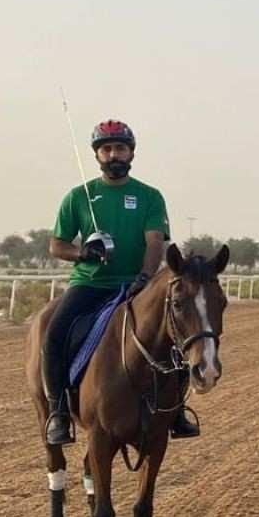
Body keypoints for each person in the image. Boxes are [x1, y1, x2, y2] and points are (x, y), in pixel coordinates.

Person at [43, 120, 197, 444]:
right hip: (90, 284)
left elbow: (155, 242)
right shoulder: (78, 197)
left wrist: (145, 277)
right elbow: (56, 245)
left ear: (131, 153)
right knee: (54, 335)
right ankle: (58, 412)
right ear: (97, 155)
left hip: (137, 284)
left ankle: (176, 412)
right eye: (107, 149)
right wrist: (82, 253)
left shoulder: (149, 196)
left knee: (176, 336)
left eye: (120, 148)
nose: (114, 155)